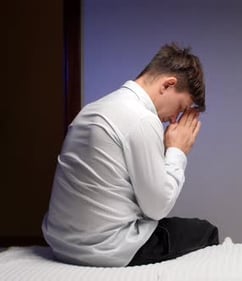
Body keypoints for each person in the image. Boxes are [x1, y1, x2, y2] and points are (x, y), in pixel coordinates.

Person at [42, 43, 219, 267]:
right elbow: (156, 208)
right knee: (206, 231)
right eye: (181, 107)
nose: (175, 117)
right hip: (105, 249)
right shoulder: (142, 118)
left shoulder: (93, 108)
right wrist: (177, 151)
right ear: (168, 84)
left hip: (61, 244)